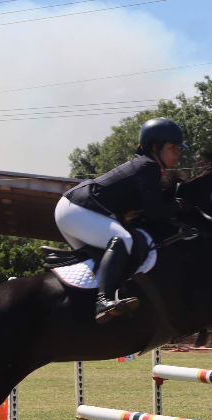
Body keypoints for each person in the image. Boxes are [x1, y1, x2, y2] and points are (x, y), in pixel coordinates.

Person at [56, 117, 188, 323]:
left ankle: (93, 308)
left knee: (107, 265)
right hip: (76, 209)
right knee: (123, 239)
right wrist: (178, 206)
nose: (177, 152)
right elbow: (154, 212)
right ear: (155, 147)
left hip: (74, 210)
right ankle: (103, 301)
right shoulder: (148, 166)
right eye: (172, 147)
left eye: (178, 148)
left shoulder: (146, 166)